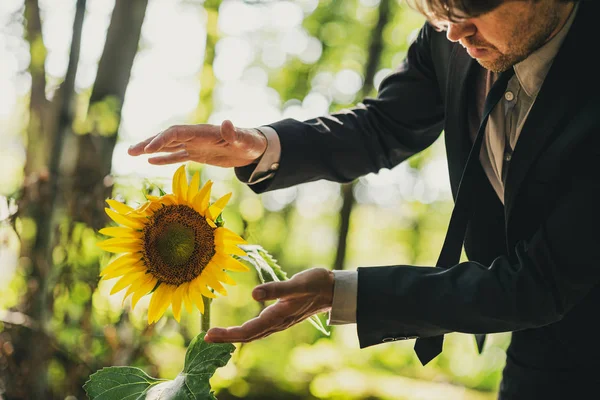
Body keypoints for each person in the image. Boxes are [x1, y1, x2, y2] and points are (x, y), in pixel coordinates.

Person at [128, 0, 600, 398]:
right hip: (541, 349)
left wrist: (346, 292)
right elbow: (383, 125)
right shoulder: (451, 34)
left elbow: (541, 281)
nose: (454, 33)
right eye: (436, 12)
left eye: (465, 8)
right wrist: (262, 145)